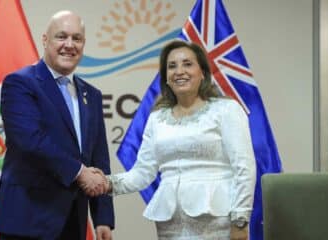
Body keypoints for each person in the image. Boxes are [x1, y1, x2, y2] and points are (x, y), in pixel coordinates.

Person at [103, 40, 256, 240]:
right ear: (166, 77)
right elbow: (142, 173)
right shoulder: (157, 118)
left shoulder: (226, 110)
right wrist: (105, 183)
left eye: (187, 64)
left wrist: (241, 220)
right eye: (172, 66)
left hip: (218, 223)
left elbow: (244, 167)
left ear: (202, 72)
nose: (179, 71)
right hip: (171, 225)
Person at [0, 10, 114, 240]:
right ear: (45, 40)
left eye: (76, 38)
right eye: (61, 36)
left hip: (72, 222)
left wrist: (103, 217)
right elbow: (29, 140)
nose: (69, 45)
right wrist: (79, 173)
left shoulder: (92, 95)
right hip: (27, 220)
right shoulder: (20, 83)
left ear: (83, 44)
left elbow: (99, 157)